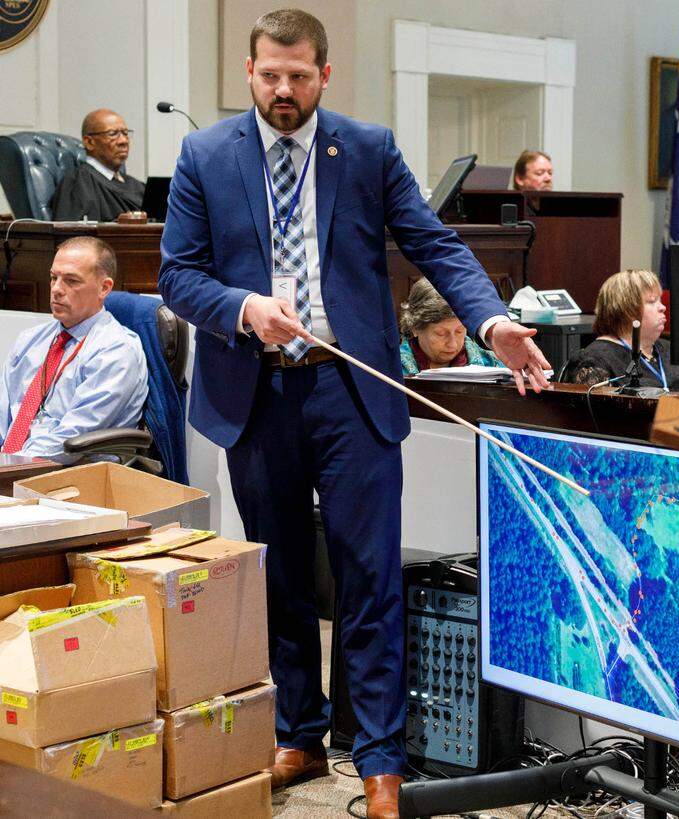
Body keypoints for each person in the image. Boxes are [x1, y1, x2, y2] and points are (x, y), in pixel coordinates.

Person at [156, 10, 549, 819]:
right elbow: (177, 277)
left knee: (368, 577)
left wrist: (492, 321)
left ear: (324, 76)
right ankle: (298, 734)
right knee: (284, 575)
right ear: (249, 70)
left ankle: (379, 761)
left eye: (299, 76)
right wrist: (242, 308)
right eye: (270, 75)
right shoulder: (204, 155)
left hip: (349, 386)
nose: (284, 90)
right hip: (255, 389)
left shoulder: (366, 149)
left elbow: (435, 243)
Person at [0, 237, 147, 458]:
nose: (56, 289)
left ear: (104, 288)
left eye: (71, 281)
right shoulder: (31, 339)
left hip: (67, 473)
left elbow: (72, 439)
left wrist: (10, 465)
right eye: (53, 278)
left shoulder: (115, 351)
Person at [564, 269, 679, 391]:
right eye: (652, 301)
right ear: (626, 309)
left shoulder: (674, 350)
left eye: (660, 300)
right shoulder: (593, 360)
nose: (662, 307)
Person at [51, 109, 145, 221]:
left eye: (125, 133)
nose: (123, 141)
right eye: (113, 134)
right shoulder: (79, 182)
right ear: (89, 142)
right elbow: (78, 234)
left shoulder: (137, 185)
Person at [398, 278, 503, 374]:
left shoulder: (490, 362)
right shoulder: (393, 367)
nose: (452, 344)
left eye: (459, 331)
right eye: (441, 334)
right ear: (415, 327)